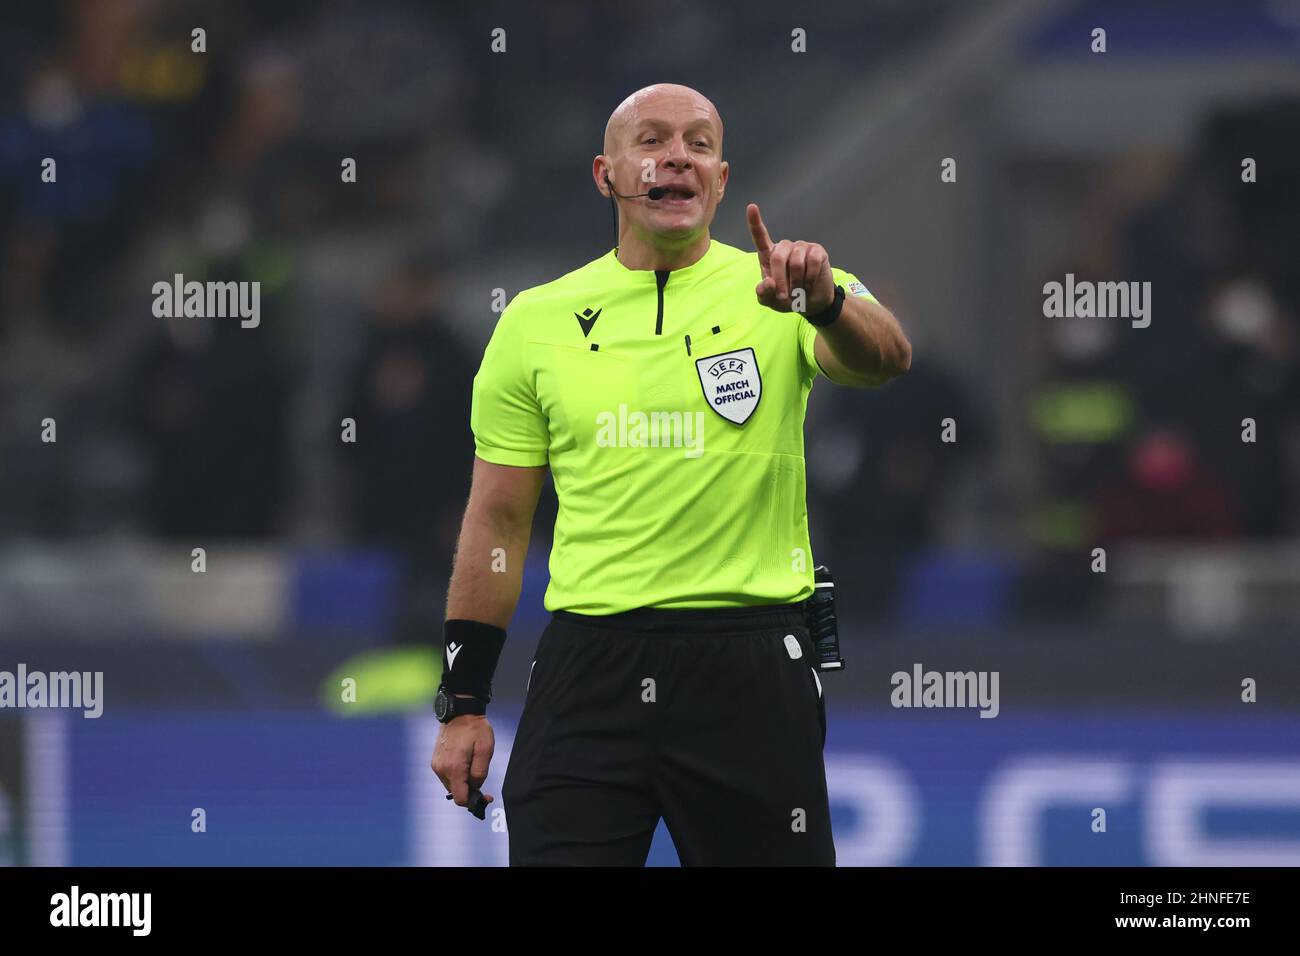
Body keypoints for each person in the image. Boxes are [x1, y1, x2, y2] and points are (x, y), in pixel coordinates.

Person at [430, 83, 911, 865]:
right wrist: (463, 702)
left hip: (749, 666)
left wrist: (825, 304)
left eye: (698, 143)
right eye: (652, 140)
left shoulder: (788, 288)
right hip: (591, 666)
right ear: (605, 173)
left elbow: (887, 357)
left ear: (720, 180)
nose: (676, 157)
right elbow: (498, 521)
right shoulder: (534, 321)